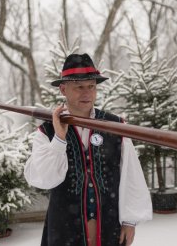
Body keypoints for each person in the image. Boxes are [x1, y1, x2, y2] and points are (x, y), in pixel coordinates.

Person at [24, 53, 152, 246]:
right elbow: (42, 179)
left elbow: (131, 175)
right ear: (63, 89)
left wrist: (129, 220)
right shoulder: (46, 131)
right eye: (79, 87)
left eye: (91, 86)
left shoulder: (115, 125)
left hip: (109, 225)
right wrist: (59, 139)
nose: (87, 93)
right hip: (64, 228)